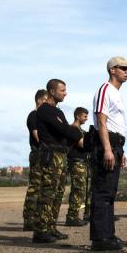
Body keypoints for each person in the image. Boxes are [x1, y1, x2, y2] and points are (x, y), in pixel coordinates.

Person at [89, 56, 127, 251]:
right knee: (102, 191)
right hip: (106, 144)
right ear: (112, 70)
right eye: (123, 68)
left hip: (116, 144)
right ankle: (100, 239)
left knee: (110, 192)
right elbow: (101, 120)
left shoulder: (116, 93)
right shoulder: (105, 89)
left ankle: (108, 235)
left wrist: (119, 151)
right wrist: (107, 149)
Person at [32, 79, 83, 243]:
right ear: (52, 92)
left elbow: (67, 132)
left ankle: (51, 227)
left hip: (61, 156)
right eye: (62, 90)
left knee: (58, 193)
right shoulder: (45, 110)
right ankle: (40, 230)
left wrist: (70, 132)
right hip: (50, 156)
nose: (65, 93)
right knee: (48, 192)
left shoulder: (58, 112)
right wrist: (72, 133)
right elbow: (66, 131)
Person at [23, 89, 48, 231]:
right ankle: (29, 220)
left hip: (46, 155)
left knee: (44, 187)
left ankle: (38, 219)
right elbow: (38, 136)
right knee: (35, 187)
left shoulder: (43, 116)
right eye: (45, 100)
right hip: (38, 153)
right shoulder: (34, 116)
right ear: (39, 100)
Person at [65, 107, 90, 226]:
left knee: (80, 189)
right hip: (76, 162)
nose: (87, 118)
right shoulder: (73, 129)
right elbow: (82, 144)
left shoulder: (80, 130)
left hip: (81, 162)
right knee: (78, 189)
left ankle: (74, 215)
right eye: (84, 116)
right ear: (77, 116)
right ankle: (72, 216)